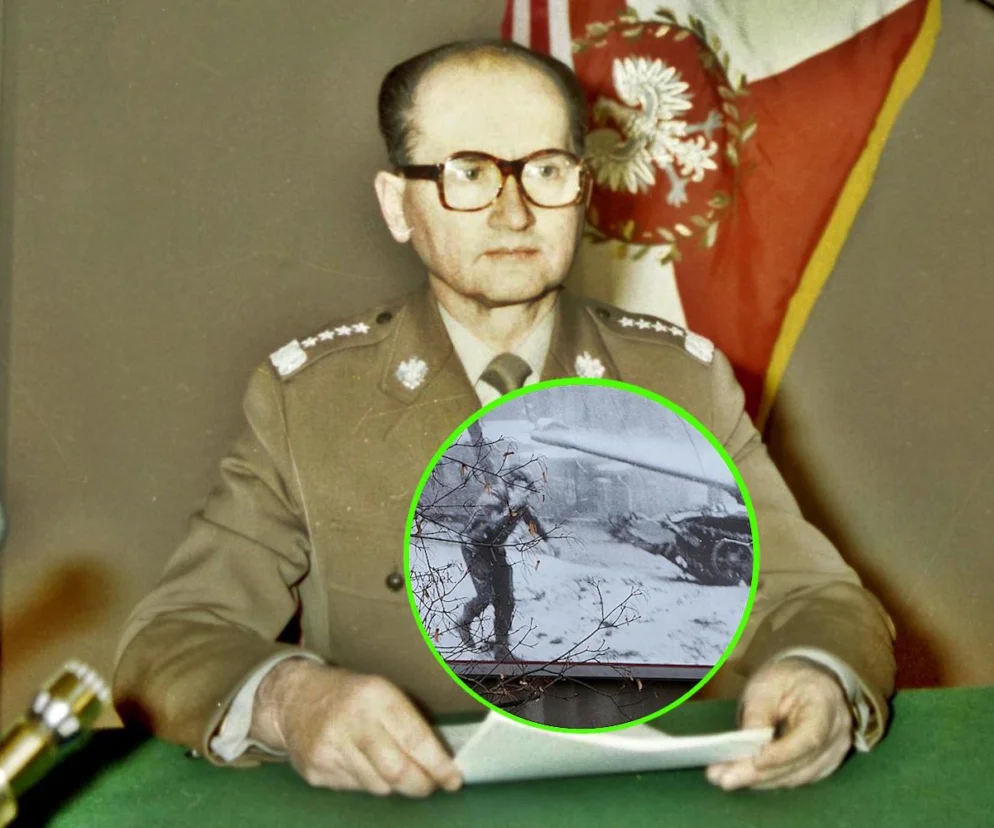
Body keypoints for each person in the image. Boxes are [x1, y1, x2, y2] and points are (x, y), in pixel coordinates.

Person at [113, 38, 896, 798]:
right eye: (469, 173)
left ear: (582, 189)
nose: (514, 211)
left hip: (627, 803)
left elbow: (815, 599)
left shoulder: (679, 382)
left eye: (546, 170)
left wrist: (818, 672)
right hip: (406, 809)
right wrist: (291, 701)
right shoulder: (311, 401)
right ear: (397, 204)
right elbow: (168, 639)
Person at [455, 467, 550, 661]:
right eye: (522, 490)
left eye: (528, 492)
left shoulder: (519, 502)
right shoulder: (491, 499)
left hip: (495, 549)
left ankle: (501, 647)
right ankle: (463, 622)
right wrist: (509, 512)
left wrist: (548, 539)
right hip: (476, 549)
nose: (525, 496)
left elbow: (531, 520)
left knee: (506, 598)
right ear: (510, 486)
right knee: (486, 596)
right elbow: (484, 531)